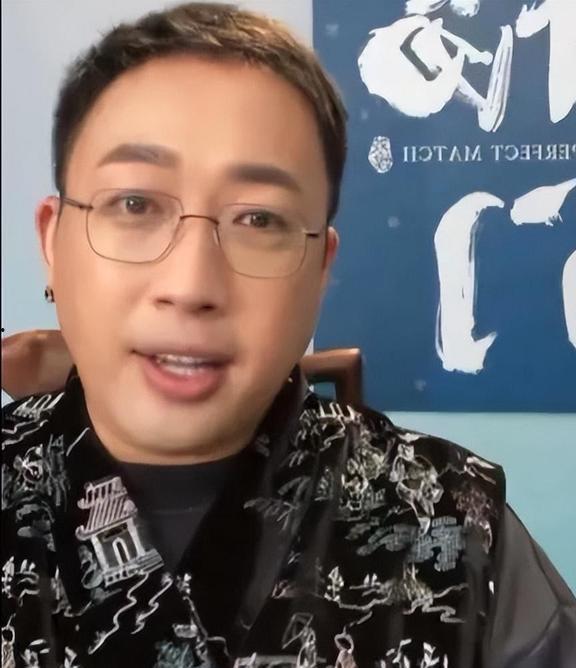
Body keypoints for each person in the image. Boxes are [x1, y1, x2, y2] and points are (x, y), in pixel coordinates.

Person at [1, 3, 574, 667]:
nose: (190, 284)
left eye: (260, 220)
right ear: (54, 242)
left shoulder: (458, 525)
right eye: (135, 204)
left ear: (321, 270)